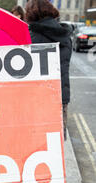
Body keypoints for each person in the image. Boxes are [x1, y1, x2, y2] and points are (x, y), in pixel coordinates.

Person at [25, 0, 72, 141]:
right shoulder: (64, 35)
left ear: (32, 13)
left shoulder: (33, 36)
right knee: (55, 143)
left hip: (38, 97)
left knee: (37, 142)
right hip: (60, 95)